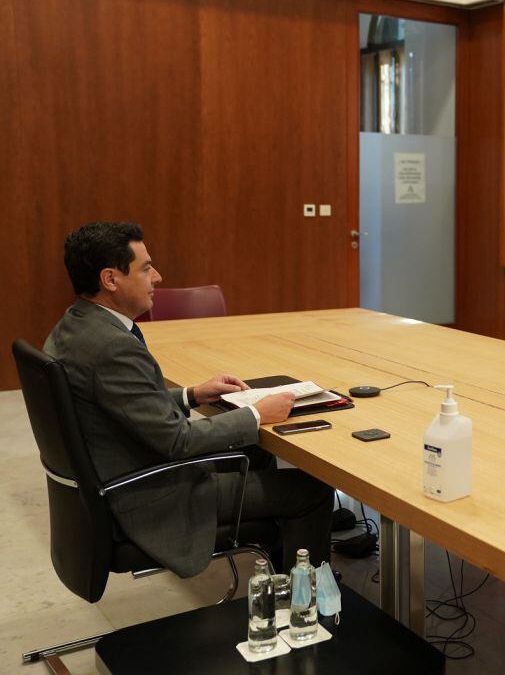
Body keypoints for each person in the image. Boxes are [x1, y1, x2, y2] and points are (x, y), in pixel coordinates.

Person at [43, 222, 334, 578]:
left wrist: (192, 394)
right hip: (151, 493)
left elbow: (122, 402)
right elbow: (178, 441)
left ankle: (278, 570)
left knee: (253, 451)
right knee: (312, 489)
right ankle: (307, 609)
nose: (158, 277)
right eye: (146, 268)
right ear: (110, 279)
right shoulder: (112, 347)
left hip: (123, 469)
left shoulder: (76, 325)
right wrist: (257, 415)